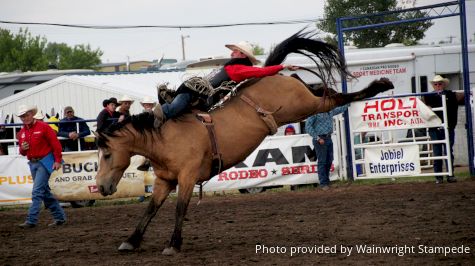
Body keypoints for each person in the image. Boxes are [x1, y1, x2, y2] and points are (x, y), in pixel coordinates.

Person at [157, 41, 299, 121]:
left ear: (242, 55)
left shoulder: (237, 69)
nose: (232, 53)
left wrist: (283, 66)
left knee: (171, 110)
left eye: (235, 51)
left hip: (192, 94)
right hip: (195, 94)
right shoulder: (232, 67)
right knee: (174, 111)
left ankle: (149, 118)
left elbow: (261, 71)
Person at [16, 104, 66, 228]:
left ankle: (31, 220)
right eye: (22, 116)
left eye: (26, 115)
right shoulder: (21, 132)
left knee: (37, 191)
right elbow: (22, 152)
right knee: (44, 192)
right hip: (33, 163)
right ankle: (60, 217)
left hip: (44, 162)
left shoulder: (44, 127)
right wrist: (22, 148)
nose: (25, 118)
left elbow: (55, 144)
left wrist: (58, 160)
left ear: (32, 114)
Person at [423, 75, 465, 184]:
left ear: (443, 84)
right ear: (434, 85)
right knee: (437, 152)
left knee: (448, 151)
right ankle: (439, 176)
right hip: (434, 128)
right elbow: (424, 108)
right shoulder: (428, 96)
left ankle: (450, 175)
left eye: (440, 83)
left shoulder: (451, 95)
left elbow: (462, 97)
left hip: (448, 127)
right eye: (436, 84)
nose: (438, 86)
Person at [305, 104, 349, 190]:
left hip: (328, 138)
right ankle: (323, 183)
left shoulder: (329, 111)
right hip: (320, 139)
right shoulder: (315, 113)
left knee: (329, 160)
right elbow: (308, 126)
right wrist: (317, 138)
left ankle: (326, 182)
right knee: (322, 161)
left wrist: (348, 102)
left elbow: (340, 109)